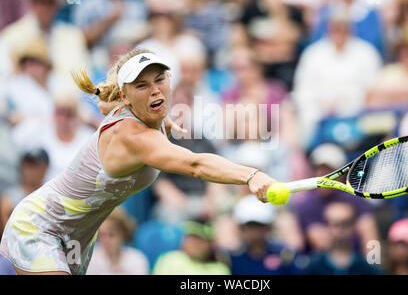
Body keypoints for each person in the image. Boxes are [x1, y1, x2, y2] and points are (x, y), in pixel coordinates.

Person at [0, 48, 275, 275]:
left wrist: (157, 115)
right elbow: (195, 165)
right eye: (142, 85)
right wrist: (251, 175)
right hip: (39, 226)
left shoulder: (131, 108)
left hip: (76, 237)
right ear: (124, 95)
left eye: (159, 79)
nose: (155, 91)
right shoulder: (133, 136)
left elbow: (104, 104)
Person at [292, 6, 381, 148]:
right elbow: (302, 90)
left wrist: (346, 104)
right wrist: (322, 108)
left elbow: (373, 90)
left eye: (344, 27)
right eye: (336, 27)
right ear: (329, 28)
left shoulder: (366, 53)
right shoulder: (313, 54)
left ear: (351, 28)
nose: (340, 31)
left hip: (356, 117)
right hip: (318, 118)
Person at [290, 143, 379, 255]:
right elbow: (320, 243)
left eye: (330, 170)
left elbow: (370, 237)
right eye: (320, 169)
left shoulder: (356, 199)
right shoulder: (306, 204)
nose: (324, 175)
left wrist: (372, 266)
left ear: (341, 174)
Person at [0, 0, 89, 82]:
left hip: (66, 95)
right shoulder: (10, 37)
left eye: (49, 2)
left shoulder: (73, 36)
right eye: (39, 2)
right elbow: (6, 78)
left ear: (57, 5)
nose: (44, 7)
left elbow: (83, 76)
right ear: (32, 3)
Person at [219, 194, 304, 275]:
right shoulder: (231, 258)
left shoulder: (285, 255)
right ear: (242, 228)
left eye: (260, 225)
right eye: (251, 225)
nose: (255, 231)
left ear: (269, 227)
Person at [305, 202, 380, 275]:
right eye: (336, 224)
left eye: (346, 223)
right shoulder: (312, 267)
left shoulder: (367, 269)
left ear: (354, 226)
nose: (341, 229)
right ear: (327, 226)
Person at [0, 149, 49, 237]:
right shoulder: (9, 197)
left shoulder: (51, 195)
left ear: (45, 168)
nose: (30, 171)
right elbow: (6, 232)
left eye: (35, 166)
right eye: (27, 166)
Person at [152, 219, 230, 275]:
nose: (194, 244)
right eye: (191, 238)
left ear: (210, 243)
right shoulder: (169, 260)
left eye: (200, 239)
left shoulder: (220, 269)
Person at [86, 207, 149, 275]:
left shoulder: (137, 260)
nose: (106, 240)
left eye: (111, 235)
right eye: (102, 235)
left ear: (122, 234)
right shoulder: (89, 261)